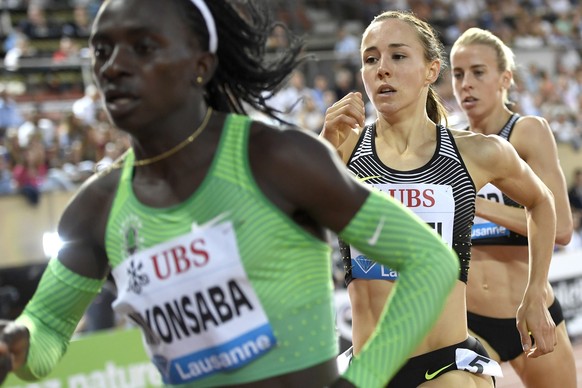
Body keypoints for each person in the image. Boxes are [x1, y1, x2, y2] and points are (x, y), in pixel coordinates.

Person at [0, 1, 460, 387]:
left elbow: (431, 261)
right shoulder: (95, 208)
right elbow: (49, 329)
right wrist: (17, 342)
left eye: (142, 48)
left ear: (201, 64)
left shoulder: (275, 158)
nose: (113, 66)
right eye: (101, 49)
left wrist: (362, 380)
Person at [321, 10, 558, 387]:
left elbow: (543, 203)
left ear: (432, 70)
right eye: (371, 58)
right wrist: (322, 149)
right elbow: (284, 228)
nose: (382, 68)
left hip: (444, 367)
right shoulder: (344, 146)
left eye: (398, 56)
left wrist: (535, 291)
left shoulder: (476, 153)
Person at [450, 27, 577, 388]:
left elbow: (563, 228)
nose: (465, 84)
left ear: (505, 78)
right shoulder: (451, 143)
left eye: (478, 72)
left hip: (531, 309)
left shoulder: (527, 132)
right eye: (457, 74)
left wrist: (476, 205)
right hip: (468, 320)